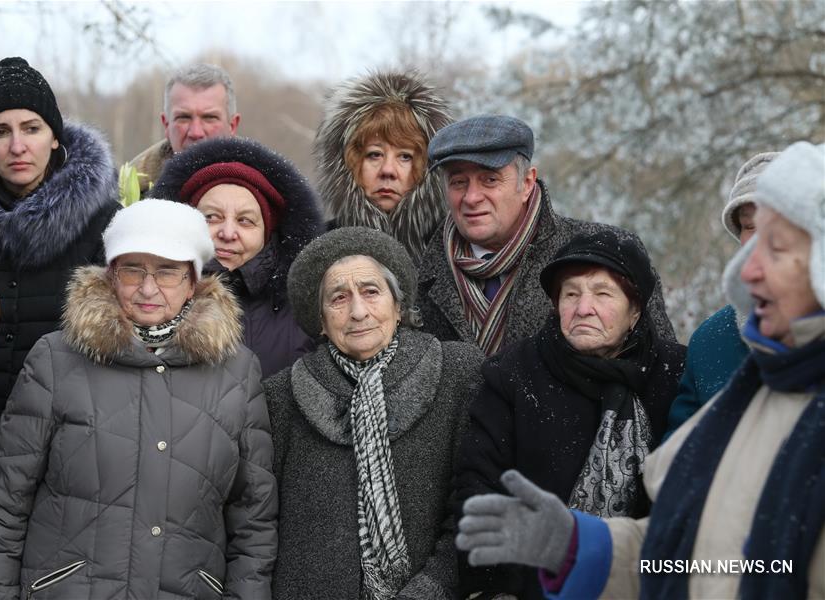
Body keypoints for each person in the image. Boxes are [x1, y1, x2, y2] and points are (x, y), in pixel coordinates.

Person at [456, 141, 825, 599]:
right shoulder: (757, 385)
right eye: (571, 294)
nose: (747, 270)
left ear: (636, 310)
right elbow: (697, 554)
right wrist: (580, 549)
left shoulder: (684, 371)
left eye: (777, 248)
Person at [0, 200, 277, 599]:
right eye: (132, 269)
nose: (148, 288)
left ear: (193, 281)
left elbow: (254, 519)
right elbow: (2, 502)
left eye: (167, 271)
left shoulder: (236, 372)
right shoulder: (57, 359)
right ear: (111, 275)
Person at [0, 56, 119, 599]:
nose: (18, 146)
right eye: (0, 131)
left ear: (54, 137)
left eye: (31, 128)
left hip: (70, 486)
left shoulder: (105, 230)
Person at [454, 230, 685, 598]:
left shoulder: (675, 375)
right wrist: (499, 589)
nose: (583, 308)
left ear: (636, 310)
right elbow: (477, 489)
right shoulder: (513, 374)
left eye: (603, 294)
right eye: (571, 294)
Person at [263, 227, 484, 599]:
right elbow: (260, 520)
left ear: (398, 307)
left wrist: (431, 588)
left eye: (371, 291)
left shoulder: (457, 374)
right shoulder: (281, 396)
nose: (358, 312)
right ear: (321, 321)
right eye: (338, 298)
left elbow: (475, 500)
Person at [417, 115, 675, 356]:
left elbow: (659, 367)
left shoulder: (611, 251)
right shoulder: (417, 267)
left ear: (527, 183)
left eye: (490, 180)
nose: (472, 197)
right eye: (458, 182)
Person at [153, 136, 325, 378]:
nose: (228, 233)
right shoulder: (149, 298)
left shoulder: (307, 308)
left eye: (245, 220)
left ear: (267, 234)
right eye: (211, 217)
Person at [662, 152, 777, 441]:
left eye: (775, 222)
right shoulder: (711, 340)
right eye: (749, 226)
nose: (759, 238)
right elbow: (679, 449)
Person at [315, 70, 452, 262]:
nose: (388, 170)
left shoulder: (453, 250)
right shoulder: (319, 249)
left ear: (428, 167)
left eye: (405, 156)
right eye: (374, 155)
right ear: (348, 164)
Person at [124, 63, 241, 200]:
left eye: (209, 118)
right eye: (184, 118)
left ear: (232, 125)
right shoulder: (125, 196)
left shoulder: (262, 190)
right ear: (166, 124)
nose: (196, 132)